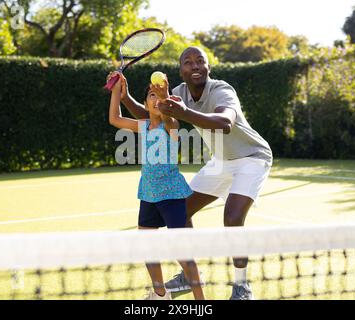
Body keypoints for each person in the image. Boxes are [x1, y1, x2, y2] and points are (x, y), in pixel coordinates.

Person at [117, 47, 273, 300]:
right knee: (181, 210)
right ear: (181, 71)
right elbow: (150, 118)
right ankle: (190, 275)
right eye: (188, 63)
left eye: (200, 61)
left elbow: (225, 123)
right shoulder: (178, 93)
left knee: (233, 218)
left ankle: (242, 285)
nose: (195, 66)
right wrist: (124, 97)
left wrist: (184, 113)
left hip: (252, 158)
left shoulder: (222, 90)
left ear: (208, 67)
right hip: (220, 161)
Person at [107, 71, 205, 300]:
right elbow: (114, 119)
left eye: (158, 96)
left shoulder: (171, 126)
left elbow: (171, 117)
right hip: (148, 194)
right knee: (147, 247)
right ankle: (161, 294)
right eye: (151, 95)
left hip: (171, 194)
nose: (156, 99)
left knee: (182, 252)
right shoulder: (143, 126)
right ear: (145, 103)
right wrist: (115, 91)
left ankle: (202, 303)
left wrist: (165, 96)